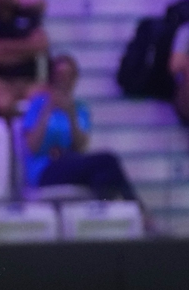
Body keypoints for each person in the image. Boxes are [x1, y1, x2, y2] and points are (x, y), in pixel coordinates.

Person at [22, 54, 137, 200]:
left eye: (69, 76)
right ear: (52, 77)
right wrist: (48, 108)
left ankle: (102, 214)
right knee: (108, 161)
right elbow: (32, 146)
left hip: (71, 164)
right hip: (44, 170)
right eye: (60, 75)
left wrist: (71, 114)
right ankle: (136, 210)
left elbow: (80, 147)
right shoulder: (37, 104)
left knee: (104, 175)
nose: (64, 80)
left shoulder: (80, 109)